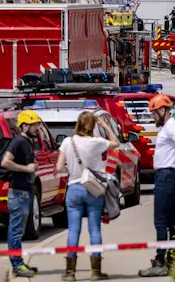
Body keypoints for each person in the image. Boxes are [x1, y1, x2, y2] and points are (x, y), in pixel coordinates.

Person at [139, 94, 175, 277]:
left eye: (154, 113)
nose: (152, 117)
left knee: (160, 222)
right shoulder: (168, 126)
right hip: (169, 176)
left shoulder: (171, 126)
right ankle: (171, 260)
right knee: (171, 221)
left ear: (162, 110)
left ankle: (160, 262)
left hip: (167, 177)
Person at [56, 111, 120, 281]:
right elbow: (116, 143)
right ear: (92, 126)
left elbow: (59, 167)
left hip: (74, 188)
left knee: (73, 229)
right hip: (93, 188)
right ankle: (96, 272)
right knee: (94, 229)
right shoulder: (97, 142)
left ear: (77, 124)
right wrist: (104, 124)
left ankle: (70, 272)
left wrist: (71, 170)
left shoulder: (67, 142)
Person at [2, 110, 43, 278]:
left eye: (37, 125)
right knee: (15, 231)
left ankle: (19, 263)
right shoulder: (18, 142)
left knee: (18, 231)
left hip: (24, 191)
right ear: (25, 125)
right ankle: (17, 265)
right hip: (18, 192)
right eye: (34, 125)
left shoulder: (26, 142)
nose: (37, 128)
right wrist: (26, 169)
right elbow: (6, 162)